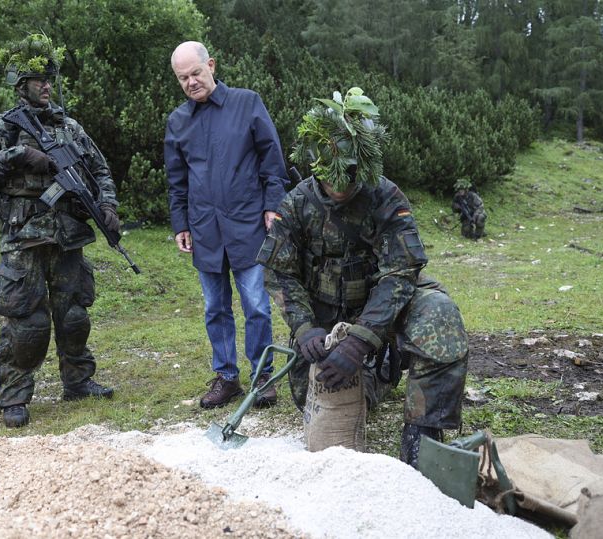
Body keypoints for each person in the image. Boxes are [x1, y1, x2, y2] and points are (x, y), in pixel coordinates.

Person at [256, 88, 468, 467]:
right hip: (324, 320)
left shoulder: (385, 197)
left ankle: (423, 430)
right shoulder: (297, 203)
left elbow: (400, 272)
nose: (341, 184)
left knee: (439, 313)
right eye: (332, 172)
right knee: (315, 389)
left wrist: (363, 340)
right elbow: (279, 271)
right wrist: (304, 329)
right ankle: (372, 380)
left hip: (379, 317)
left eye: (350, 173)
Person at [0, 34, 119, 428]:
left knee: (73, 316)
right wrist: (17, 156)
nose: (47, 85)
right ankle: (14, 398)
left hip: (67, 236)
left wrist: (107, 205)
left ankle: (79, 381)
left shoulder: (69, 127)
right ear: (21, 86)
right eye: (38, 80)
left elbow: (99, 169)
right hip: (24, 240)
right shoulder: (1, 128)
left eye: (50, 78)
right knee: (26, 323)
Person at [164, 41, 289, 409]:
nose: (190, 82)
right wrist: (180, 223)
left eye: (195, 73)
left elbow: (272, 160)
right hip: (204, 229)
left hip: (248, 222)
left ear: (212, 66)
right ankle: (227, 377)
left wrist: (272, 206)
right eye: (182, 78)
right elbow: (177, 180)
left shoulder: (248, 103)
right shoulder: (178, 121)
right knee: (214, 308)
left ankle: (263, 376)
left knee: (256, 304)